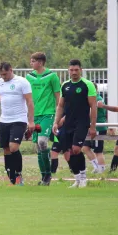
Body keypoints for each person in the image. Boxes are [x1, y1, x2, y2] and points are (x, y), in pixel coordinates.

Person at [0, 62, 34, 185]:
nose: (3, 77)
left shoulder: (22, 82)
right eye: (1, 74)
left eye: (5, 74)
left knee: (13, 147)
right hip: (4, 120)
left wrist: (31, 121)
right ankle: (12, 178)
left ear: (11, 70)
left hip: (19, 119)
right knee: (6, 149)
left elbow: (29, 102)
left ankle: (18, 175)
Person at [53, 59, 97, 188]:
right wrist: (56, 122)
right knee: (68, 153)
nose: (74, 72)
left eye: (76, 70)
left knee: (76, 149)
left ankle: (83, 178)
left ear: (81, 70)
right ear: (68, 70)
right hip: (68, 123)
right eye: (71, 70)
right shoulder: (65, 85)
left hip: (82, 122)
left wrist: (93, 126)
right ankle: (77, 178)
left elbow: (93, 106)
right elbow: (60, 105)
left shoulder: (87, 85)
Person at [26, 52, 61, 185]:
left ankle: (48, 175)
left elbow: (58, 96)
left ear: (40, 62)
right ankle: (44, 176)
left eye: (33, 61)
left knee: (42, 142)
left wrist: (58, 116)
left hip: (48, 114)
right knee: (38, 146)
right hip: (34, 115)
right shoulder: (29, 77)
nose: (31, 63)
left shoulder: (52, 76)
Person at [82, 83, 107, 174]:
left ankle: (102, 169)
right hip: (89, 127)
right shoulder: (89, 99)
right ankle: (96, 167)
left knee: (98, 150)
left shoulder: (97, 99)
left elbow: (90, 113)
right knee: (85, 147)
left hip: (98, 128)